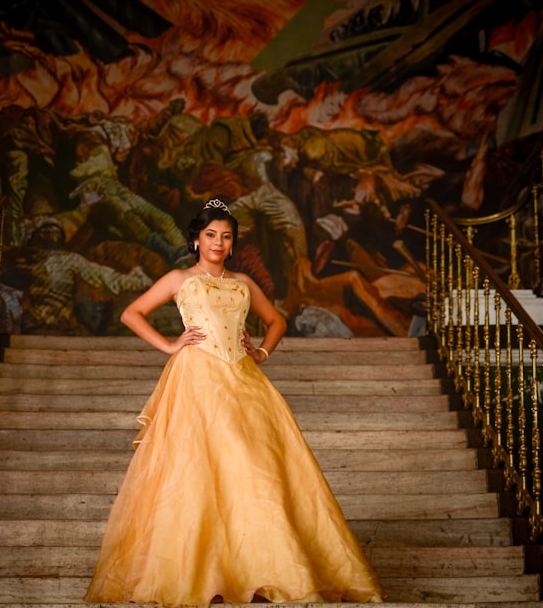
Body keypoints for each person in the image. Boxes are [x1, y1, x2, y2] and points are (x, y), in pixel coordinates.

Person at [83, 198, 383, 605]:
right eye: (211, 235)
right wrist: (171, 346)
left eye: (226, 237)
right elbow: (131, 313)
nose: (218, 243)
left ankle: (258, 569)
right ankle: (202, 572)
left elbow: (277, 321)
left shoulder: (242, 282)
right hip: (197, 379)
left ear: (232, 242)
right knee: (200, 470)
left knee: (252, 468)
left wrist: (261, 352)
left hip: (243, 377)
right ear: (196, 239)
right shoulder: (178, 279)